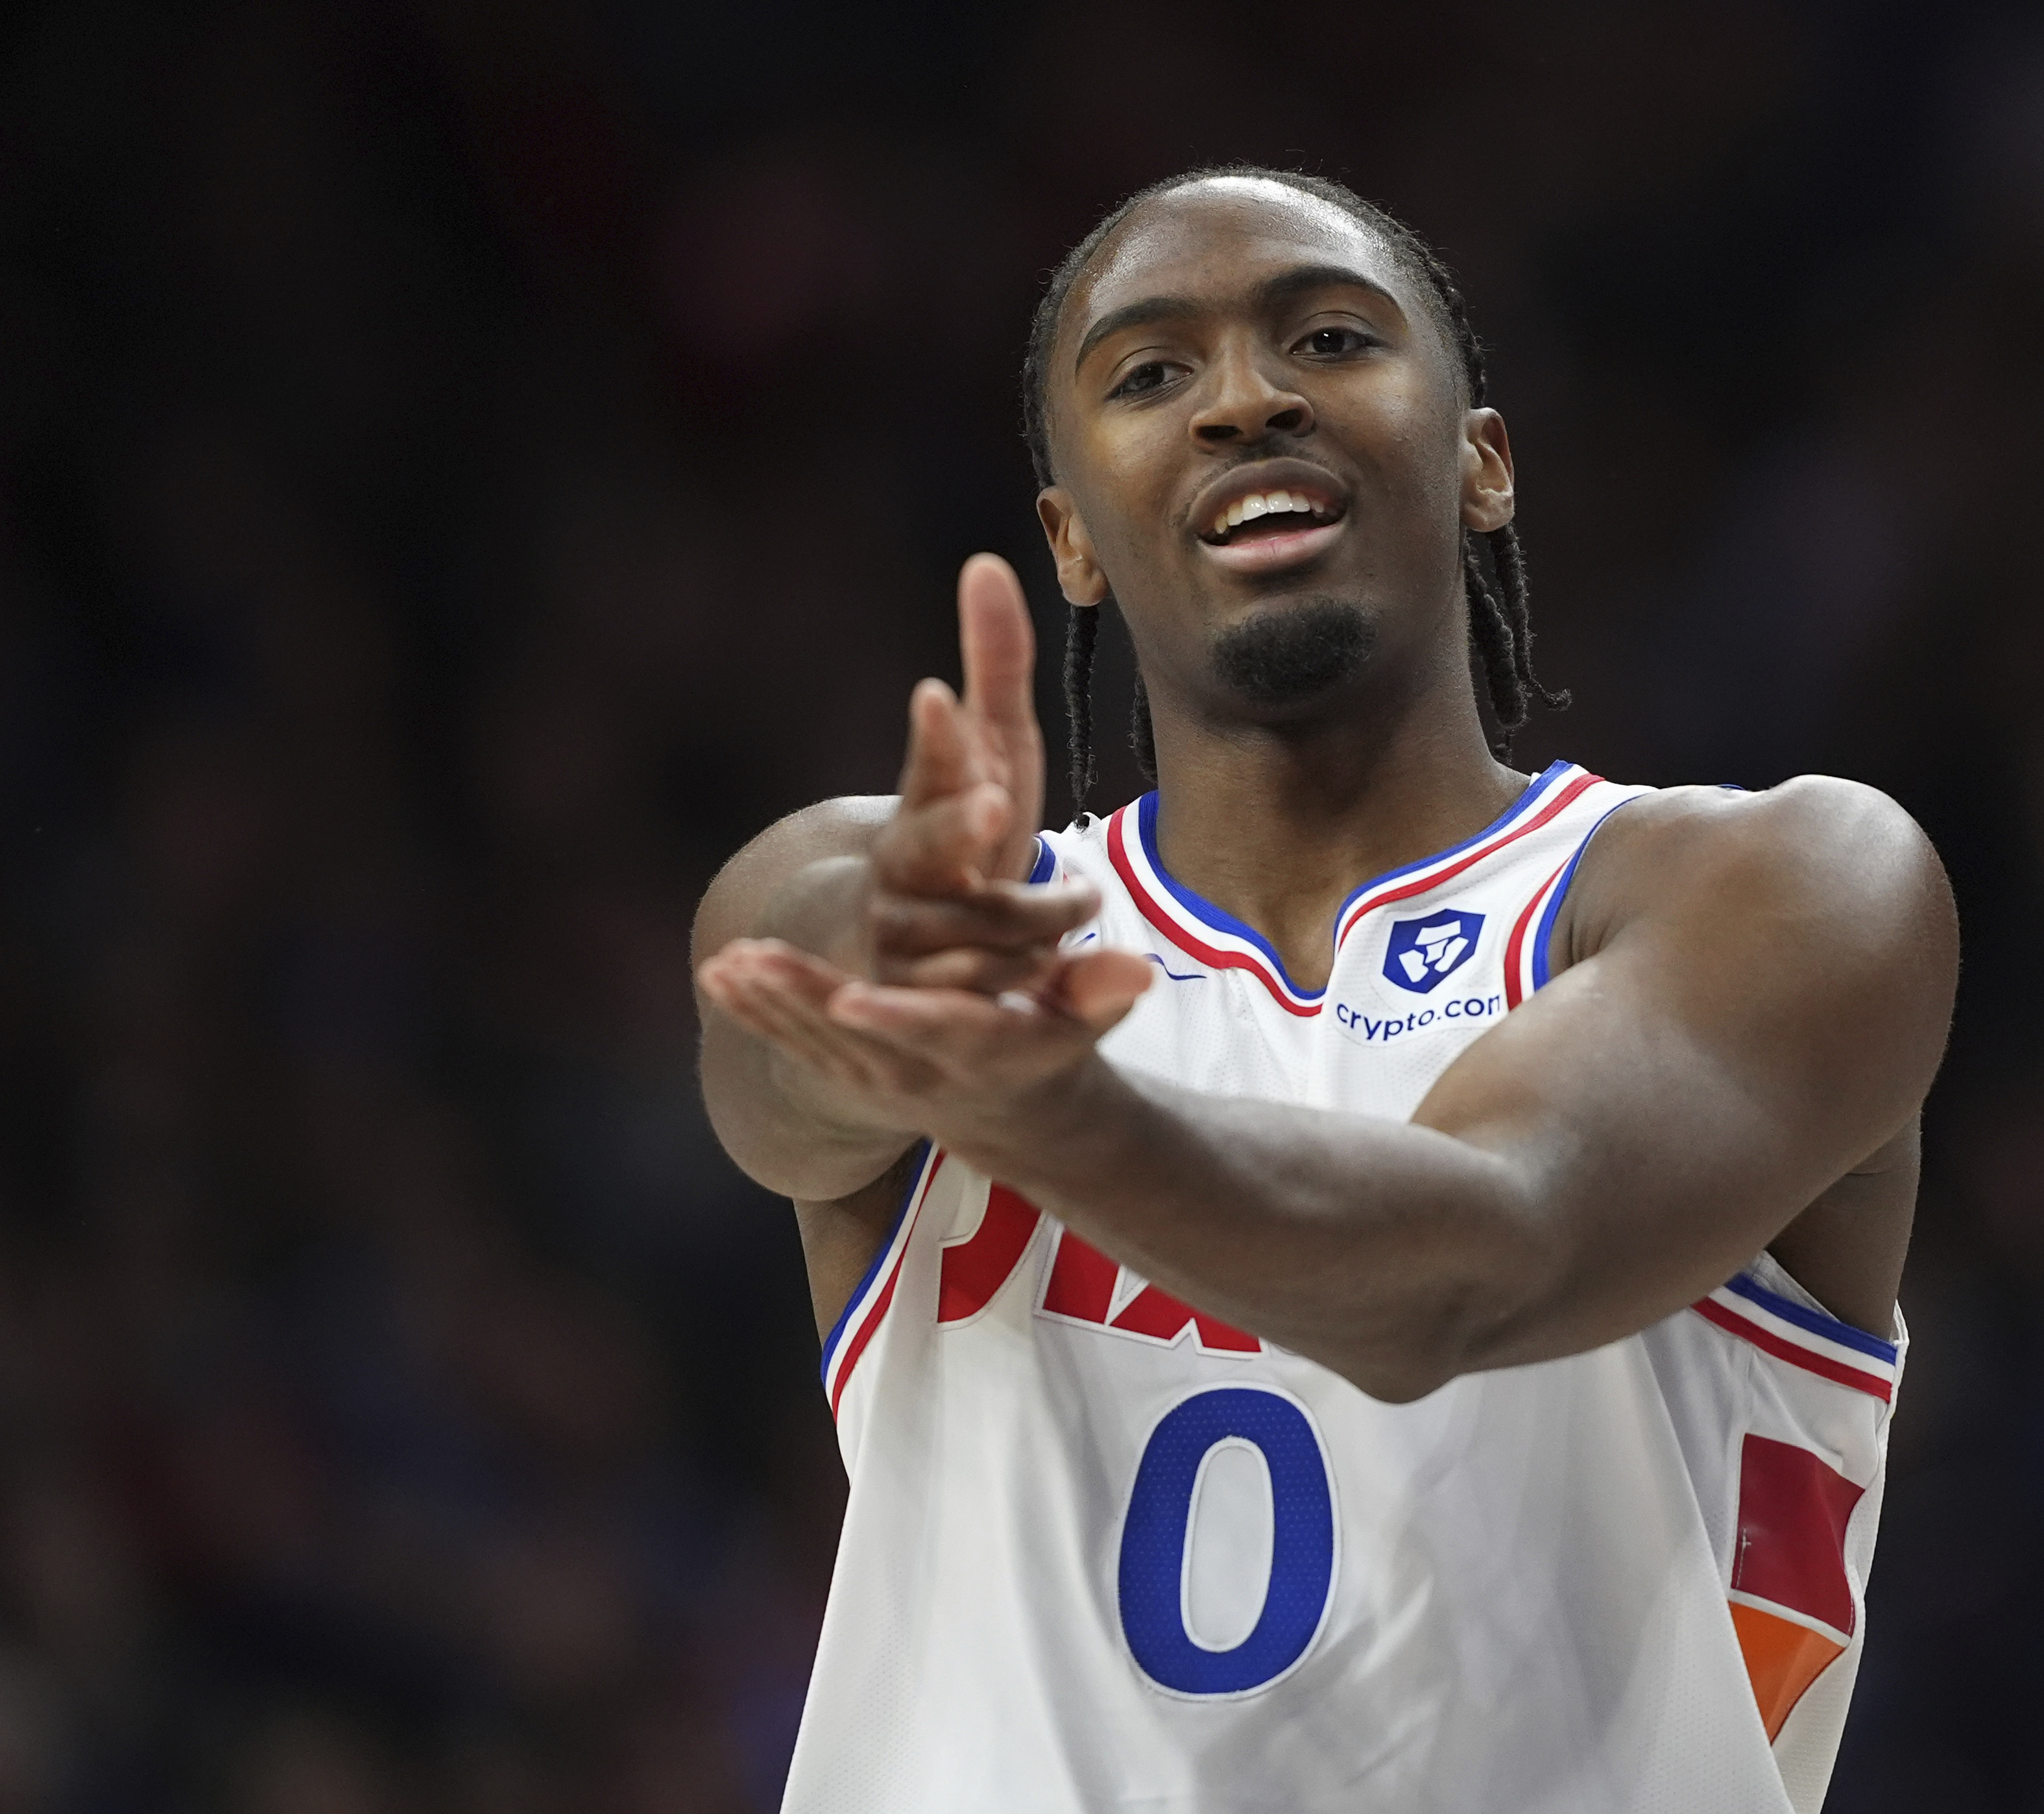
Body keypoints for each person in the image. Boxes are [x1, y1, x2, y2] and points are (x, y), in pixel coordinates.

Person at [692, 165, 1956, 1814]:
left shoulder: (1781, 890)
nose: (1246, 400)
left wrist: (1041, 1108)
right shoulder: (915, 916)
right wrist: (888, 1006)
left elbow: (1473, 1264)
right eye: (1151, 375)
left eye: (1331, 337)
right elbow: (777, 1065)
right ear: (1070, 539)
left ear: (1482, 463)